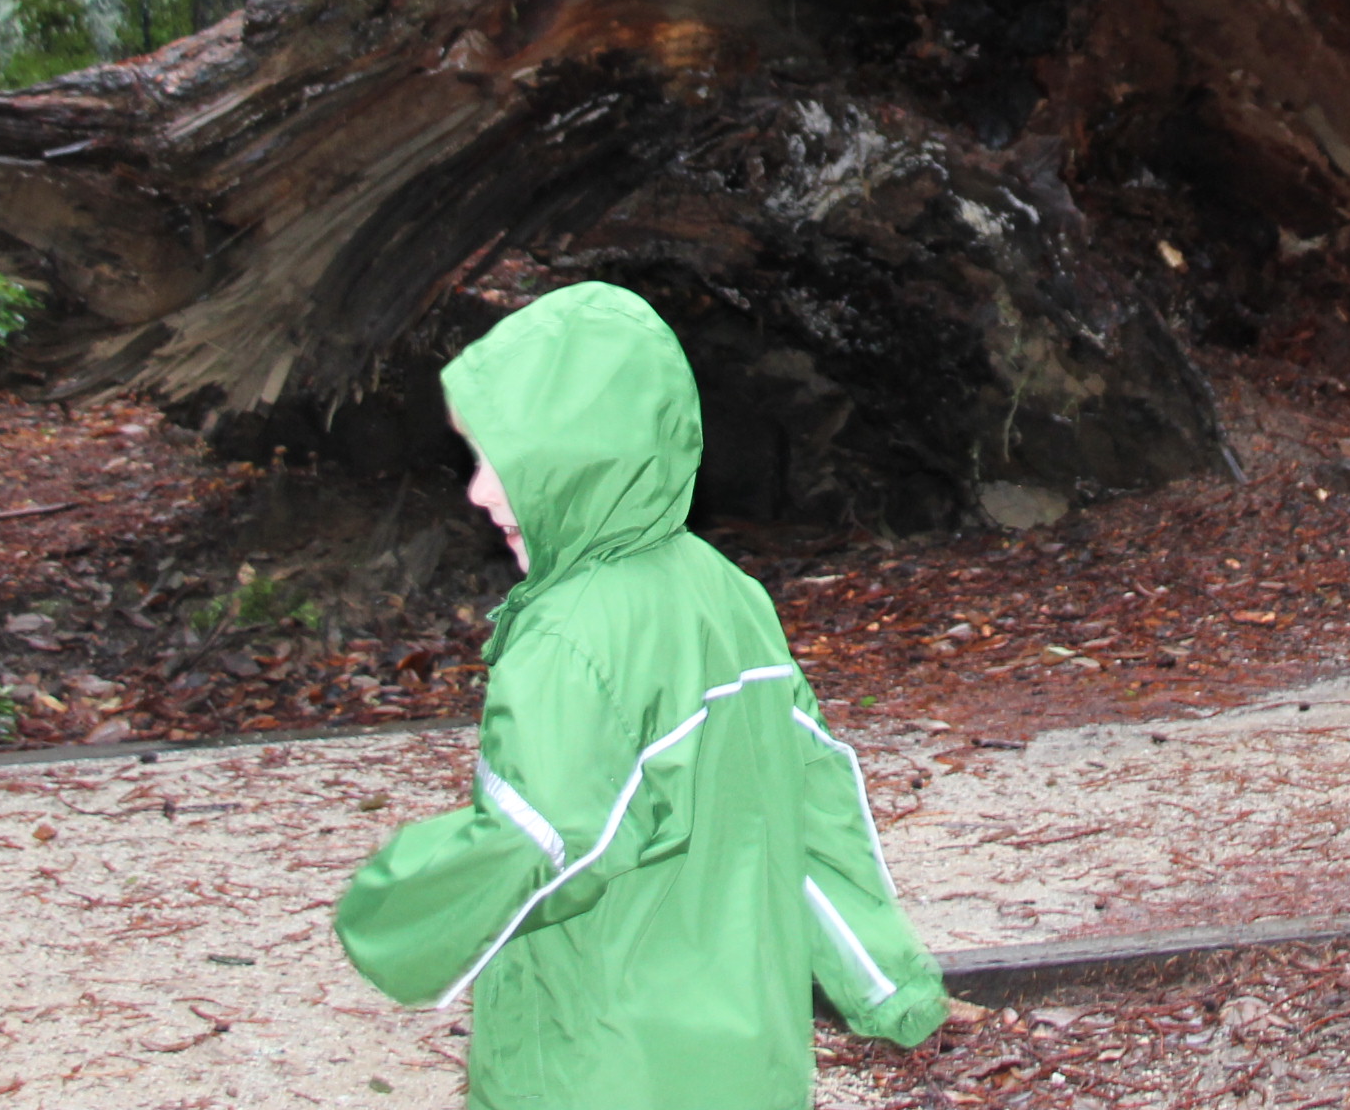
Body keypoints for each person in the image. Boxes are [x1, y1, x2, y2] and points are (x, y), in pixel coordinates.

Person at [336, 281, 946, 1106]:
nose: (477, 492)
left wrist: (393, 914)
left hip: (598, 1063)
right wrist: (883, 977)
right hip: (744, 1064)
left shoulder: (568, 638)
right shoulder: (731, 598)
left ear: (578, 457)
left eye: (501, 461)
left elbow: (540, 836)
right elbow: (810, 808)